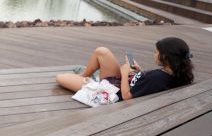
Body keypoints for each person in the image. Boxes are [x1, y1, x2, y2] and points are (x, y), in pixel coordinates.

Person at [55, 37, 194, 102]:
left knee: (61, 78)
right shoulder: (175, 74)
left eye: (156, 52)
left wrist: (124, 72)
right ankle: (85, 76)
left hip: (112, 92)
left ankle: (87, 80)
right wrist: (139, 73)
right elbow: (147, 85)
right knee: (101, 51)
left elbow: (127, 97)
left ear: (165, 56)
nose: (154, 54)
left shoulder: (159, 77)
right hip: (120, 82)